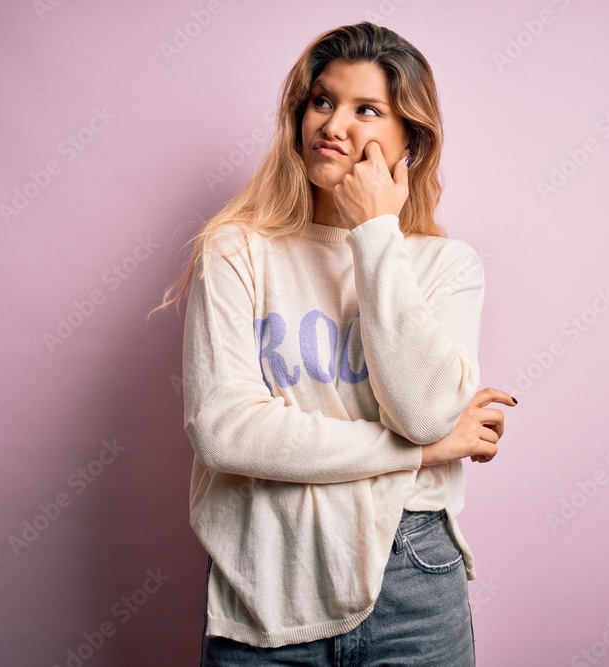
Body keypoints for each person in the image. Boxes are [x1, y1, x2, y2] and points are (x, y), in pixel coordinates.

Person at [148, 21, 516, 666]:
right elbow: (227, 433)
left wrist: (375, 231)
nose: (333, 124)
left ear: (410, 143)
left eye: (366, 109)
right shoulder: (237, 250)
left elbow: (423, 410)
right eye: (322, 101)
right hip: (267, 574)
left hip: (411, 574)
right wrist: (421, 452)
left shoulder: (444, 266)